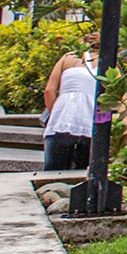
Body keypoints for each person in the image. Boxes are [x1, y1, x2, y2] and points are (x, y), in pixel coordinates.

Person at [42, 31, 99, 171]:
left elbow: (49, 91)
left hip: (62, 120)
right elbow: (121, 102)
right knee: (85, 172)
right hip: (93, 124)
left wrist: (56, 115)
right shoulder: (110, 63)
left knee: (53, 171)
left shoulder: (68, 58)